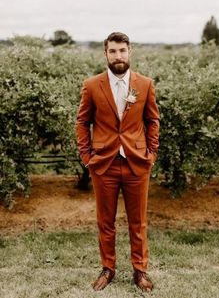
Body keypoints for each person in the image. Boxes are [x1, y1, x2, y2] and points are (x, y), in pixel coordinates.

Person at [76, 32, 160, 292]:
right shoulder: (92, 85)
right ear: (106, 54)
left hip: (137, 162)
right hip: (104, 164)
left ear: (129, 51)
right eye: (113, 51)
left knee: (138, 221)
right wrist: (87, 157)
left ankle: (140, 270)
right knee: (106, 221)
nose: (118, 56)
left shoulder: (144, 84)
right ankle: (108, 268)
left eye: (122, 50)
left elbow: (152, 121)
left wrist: (151, 154)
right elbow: (82, 122)